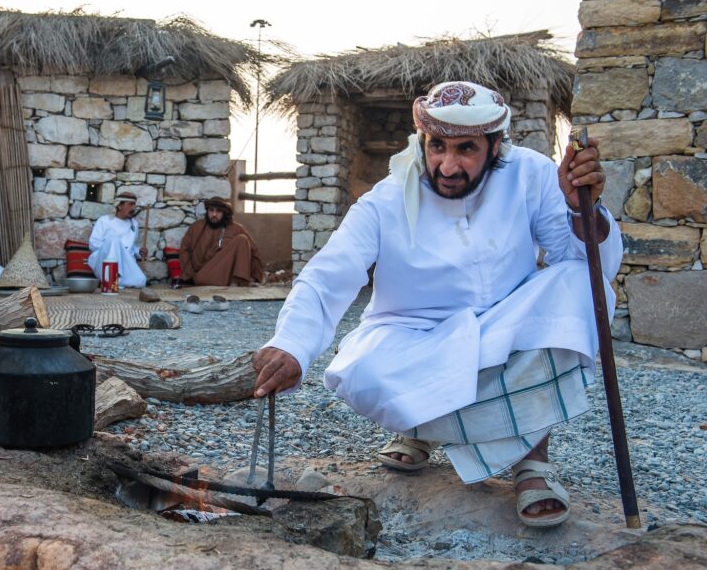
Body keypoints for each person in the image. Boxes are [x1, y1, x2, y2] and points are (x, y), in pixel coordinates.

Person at [252, 81, 619, 528]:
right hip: (411, 336)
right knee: (362, 373)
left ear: (496, 145)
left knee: (580, 284)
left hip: (505, 327)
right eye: (437, 146)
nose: (448, 165)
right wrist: (291, 343)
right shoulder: (386, 198)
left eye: (466, 148)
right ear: (421, 141)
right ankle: (418, 428)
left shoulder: (531, 174)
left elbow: (580, 258)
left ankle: (530, 459)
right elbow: (331, 272)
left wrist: (581, 207)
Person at [179, 196, 264, 286]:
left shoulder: (236, 228)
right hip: (204, 276)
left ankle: (237, 282)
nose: (214, 214)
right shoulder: (196, 227)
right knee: (201, 278)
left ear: (224, 213)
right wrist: (190, 276)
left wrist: (255, 277)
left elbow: (254, 252)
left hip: (229, 276)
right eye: (211, 210)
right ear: (207, 211)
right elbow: (184, 251)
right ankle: (238, 283)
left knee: (242, 239)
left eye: (218, 211)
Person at [87, 192, 148, 288]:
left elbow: (130, 247)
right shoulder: (104, 220)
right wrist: (114, 246)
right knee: (114, 240)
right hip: (104, 261)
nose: (133, 208)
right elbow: (93, 244)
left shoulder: (134, 224)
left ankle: (116, 282)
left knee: (141, 281)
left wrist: (138, 251)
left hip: (125, 261)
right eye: (130, 204)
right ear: (119, 206)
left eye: (134, 205)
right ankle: (111, 278)